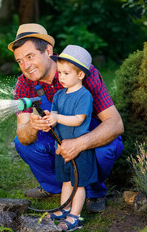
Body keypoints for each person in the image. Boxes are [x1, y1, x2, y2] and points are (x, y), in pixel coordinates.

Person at [9, 23, 124, 213]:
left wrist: (79, 143)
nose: (26, 66)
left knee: (106, 150)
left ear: (48, 50)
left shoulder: (81, 71)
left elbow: (115, 123)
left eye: (30, 56)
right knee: (23, 145)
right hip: (58, 137)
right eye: (19, 61)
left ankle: (94, 191)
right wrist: (31, 125)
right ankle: (55, 187)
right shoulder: (24, 84)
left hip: (87, 130)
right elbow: (23, 136)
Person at [43, 45, 98, 231]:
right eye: (59, 73)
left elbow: (78, 120)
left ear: (80, 75)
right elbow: (54, 117)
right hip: (62, 147)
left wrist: (57, 117)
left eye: (66, 73)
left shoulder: (84, 96)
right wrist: (48, 119)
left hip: (79, 149)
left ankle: (75, 216)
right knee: (66, 181)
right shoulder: (58, 95)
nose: (61, 77)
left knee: (78, 184)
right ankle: (63, 209)